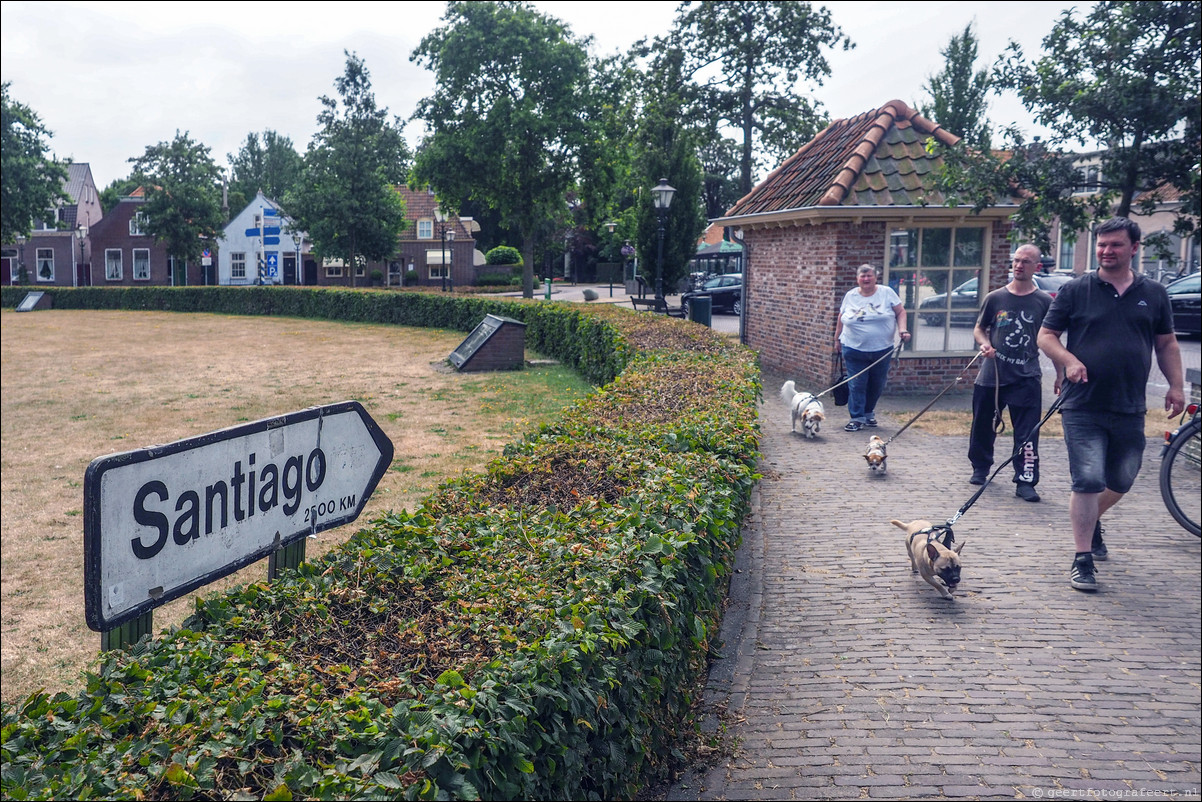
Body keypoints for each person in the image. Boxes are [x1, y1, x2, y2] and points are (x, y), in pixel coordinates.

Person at [1037, 217, 1185, 592]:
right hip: (1083, 404)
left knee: (1122, 479)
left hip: (1129, 405)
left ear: (1134, 248)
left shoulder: (1154, 293)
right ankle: (1082, 558)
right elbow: (1046, 335)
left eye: (1115, 245)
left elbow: (1166, 343)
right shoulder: (1075, 290)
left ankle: (1091, 519)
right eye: (1102, 245)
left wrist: (1176, 385)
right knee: (1087, 479)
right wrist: (1069, 360)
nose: (1106, 251)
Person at [969, 244, 1055, 502]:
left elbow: (1052, 338)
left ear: (1036, 267)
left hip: (1026, 377)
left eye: (1025, 261)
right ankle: (980, 467)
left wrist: (1060, 374)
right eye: (1016, 260)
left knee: (1027, 432)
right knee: (983, 425)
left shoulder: (1044, 302)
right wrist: (984, 343)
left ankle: (1025, 481)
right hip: (991, 376)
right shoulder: (995, 298)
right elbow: (979, 328)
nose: (1019, 265)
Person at [835, 264, 910, 432]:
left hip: (882, 349)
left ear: (876, 277)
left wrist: (902, 329)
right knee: (857, 383)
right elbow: (841, 316)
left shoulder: (886, 293)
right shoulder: (850, 295)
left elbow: (901, 312)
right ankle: (857, 417)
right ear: (857, 278)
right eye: (862, 276)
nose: (866, 279)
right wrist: (837, 339)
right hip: (853, 347)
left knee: (876, 384)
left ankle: (868, 413)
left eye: (869, 275)